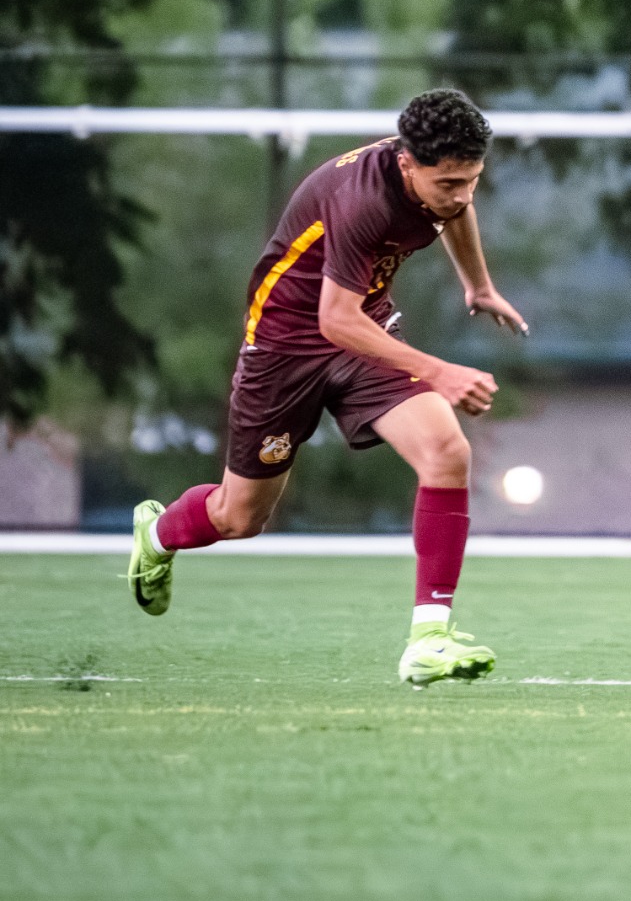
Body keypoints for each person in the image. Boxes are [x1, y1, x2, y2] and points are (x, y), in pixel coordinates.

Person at [123, 88, 530, 688]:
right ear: (406, 164)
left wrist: (478, 285)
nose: (463, 193)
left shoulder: (437, 183)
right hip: (286, 349)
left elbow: (454, 213)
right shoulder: (363, 201)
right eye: (449, 182)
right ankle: (156, 535)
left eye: (472, 178)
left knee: (447, 453)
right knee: (240, 518)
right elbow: (333, 320)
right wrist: (440, 371)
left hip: (364, 334)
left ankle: (428, 639)